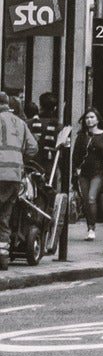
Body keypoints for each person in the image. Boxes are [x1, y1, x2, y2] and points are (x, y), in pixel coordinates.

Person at [0, 92, 37, 267]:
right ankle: (3, 257)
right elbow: (33, 147)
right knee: (5, 216)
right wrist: (20, 158)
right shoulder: (20, 122)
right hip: (14, 175)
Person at [71, 109, 103, 241]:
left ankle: (92, 228)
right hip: (83, 172)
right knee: (85, 200)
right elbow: (76, 154)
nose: (89, 120)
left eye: (92, 117)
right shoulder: (82, 135)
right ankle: (89, 225)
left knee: (91, 198)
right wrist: (75, 170)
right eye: (87, 117)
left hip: (98, 172)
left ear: (98, 119)